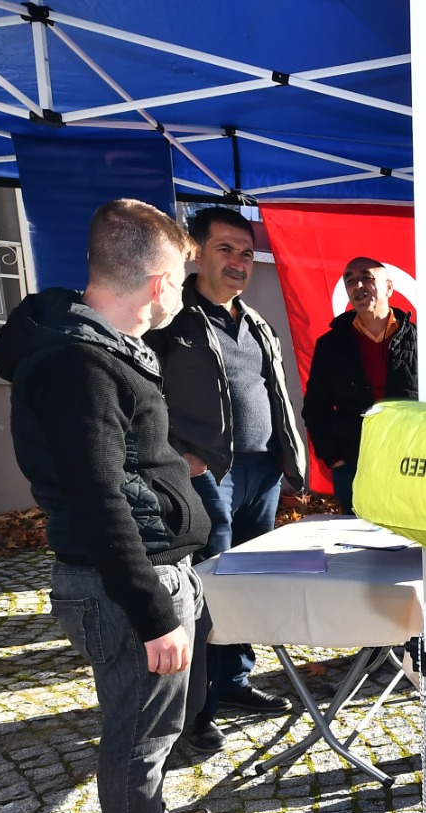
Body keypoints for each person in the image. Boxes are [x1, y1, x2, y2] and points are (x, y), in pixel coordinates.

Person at [0, 199, 231, 813]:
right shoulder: (79, 362)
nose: (182, 295)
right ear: (160, 283)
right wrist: (153, 611)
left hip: (146, 574)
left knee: (147, 724)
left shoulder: (98, 349)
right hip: (125, 586)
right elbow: (98, 499)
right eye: (180, 282)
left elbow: (121, 466)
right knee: (138, 733)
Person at [149, 207, 306, 752]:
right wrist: (178, 457)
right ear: (197, 252)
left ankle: (234, 681)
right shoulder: (172, 319)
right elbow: (141, 399)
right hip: (207, 474)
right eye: (226, 249)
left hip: (261, 472)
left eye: (246, 252)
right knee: (205, 590)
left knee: (244, 584)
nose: (239, 262)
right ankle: (193, 713)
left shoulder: (254, 320)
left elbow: (276, 396)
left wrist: (290, 458)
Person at [303, 256, 418, 511]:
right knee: (357, 544)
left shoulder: (420, 340)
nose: (358, 286)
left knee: (410, 543)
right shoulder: (331, 344)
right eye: (350, 280)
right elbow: (315, 408)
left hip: (409, 464)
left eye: (367, 277)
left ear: (389, 287)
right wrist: (335, 458)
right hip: (353, 465)